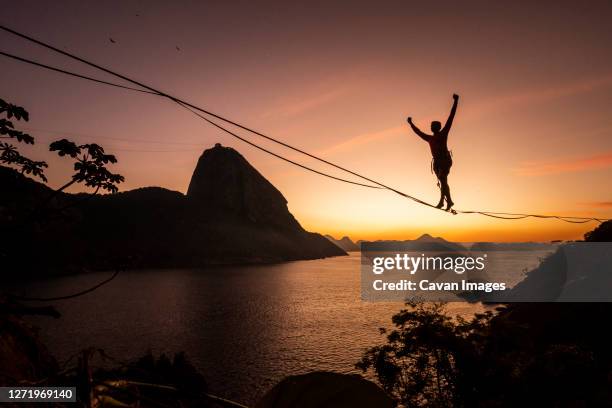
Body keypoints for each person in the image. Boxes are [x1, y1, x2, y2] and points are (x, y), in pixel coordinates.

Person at [407, 94, 459, 211]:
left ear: (438, 127)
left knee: (442, 178)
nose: (431, 127)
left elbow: (451, 116)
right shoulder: (429, 138)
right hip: (437, 163)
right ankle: (447, 201)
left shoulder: (443, 133)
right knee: (443, 181)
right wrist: (411, 124)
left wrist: (456, 101)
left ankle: (445, 201)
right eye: (431, 125)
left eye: (433, 125)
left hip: (445, 160)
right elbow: (418, 132)